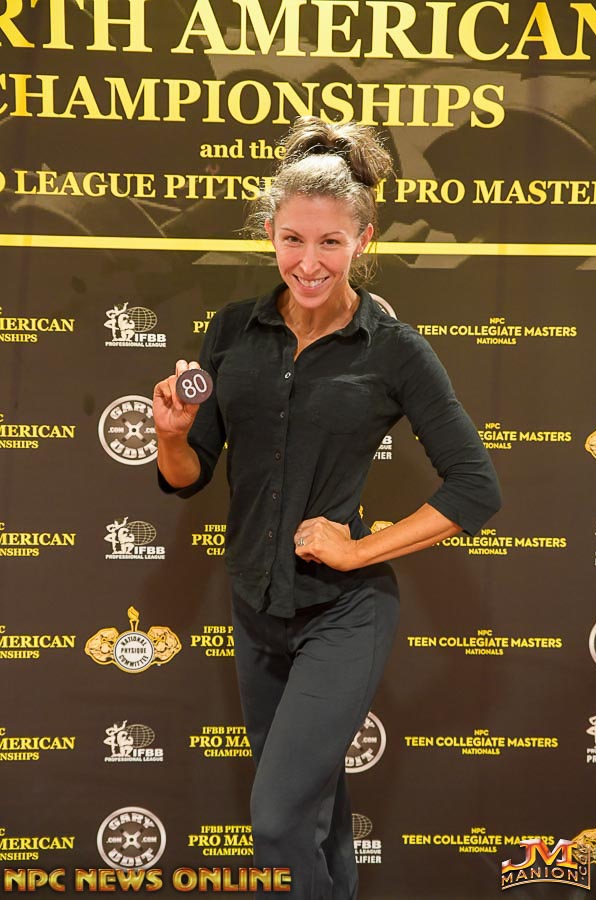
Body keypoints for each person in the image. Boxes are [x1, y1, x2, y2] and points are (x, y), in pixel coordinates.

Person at [153, 116, 501, 899]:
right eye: (293, 240)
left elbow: (475, 487)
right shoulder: (232, 332)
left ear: (363, 240)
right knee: (314, 814)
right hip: (254, 606)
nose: (308, 263)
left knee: (278, 820)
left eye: (331, 243)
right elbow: (188, 475)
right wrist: (172, 435)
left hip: (343, 614)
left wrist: (358, 550)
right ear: (270, 234)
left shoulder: (393, 349)